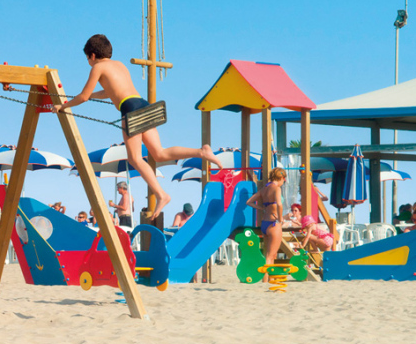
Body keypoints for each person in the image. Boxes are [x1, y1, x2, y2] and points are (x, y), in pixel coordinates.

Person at [53, 34, 222, 217]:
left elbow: (83, 96)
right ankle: (202, 152)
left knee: (134, 158)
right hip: (143, 104)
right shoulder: (120, 65)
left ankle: (161, 194)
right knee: (159, 153)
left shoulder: (98, 67)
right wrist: (94, 95)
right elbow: (109, 91)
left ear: (92, 55)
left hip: (130, 109)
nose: (89, 62)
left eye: (87, 58)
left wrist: (62, 106)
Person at [247, 168, 287, 275]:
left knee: (269, 255)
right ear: (282, 178)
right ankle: (265, 282)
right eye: (284, 180)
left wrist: (260, 208)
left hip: (264, 223)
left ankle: (268, 279)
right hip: (274, 224)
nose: (284, 182)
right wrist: (280, 218)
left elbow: (249, 202)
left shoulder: (264, 189)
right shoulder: (276, 189)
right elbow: (279, 204)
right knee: (271, 256)